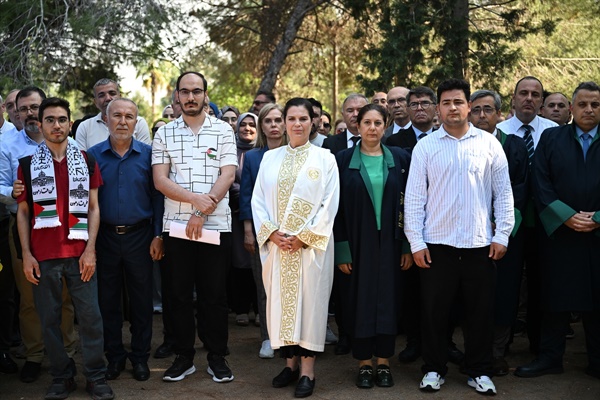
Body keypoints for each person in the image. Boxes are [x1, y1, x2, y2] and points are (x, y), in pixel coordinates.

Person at [404, 79, 514, 395]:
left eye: (459, 102)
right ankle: (434, 369)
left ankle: (479, 370)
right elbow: (414, 198)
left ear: (468, 106)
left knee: (480, 313)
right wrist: (417, 242)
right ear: (439, 108)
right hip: (436, 245)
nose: (453, 107)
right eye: (447, 102)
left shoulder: (490, 144)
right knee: (434, 313)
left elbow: (503, 194)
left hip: (481, 244)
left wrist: (502, 234)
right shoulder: (426, 146)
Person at [16, 97, 114, 400]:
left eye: (61, 119)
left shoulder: (86, 161)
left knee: (90, 318)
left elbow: (95, 207)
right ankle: (62, 375)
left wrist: (90, 250)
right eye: (49, 120)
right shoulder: (28, 165)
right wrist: (27, 255)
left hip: (79, 254)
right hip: (43, 256)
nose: (56, 125)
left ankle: (96, 376)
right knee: (49, 320)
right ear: (40, 124)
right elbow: (23, 213)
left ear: (70, 124)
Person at [251, 97, 339, 398]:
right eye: (292, 119)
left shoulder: (325, 159)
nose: (297, 124)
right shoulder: (269, 159)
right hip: (278, 247)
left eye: (303, 119)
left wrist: (305, 236)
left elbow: (330, 204)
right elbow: (258, 201)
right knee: (280, 306)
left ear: (312, 122)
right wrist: (272, 233)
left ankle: (307, 371)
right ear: (284, 122)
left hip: (310, 249)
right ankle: (289, 365)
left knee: (310, 307)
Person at [152, 71, 237, 383]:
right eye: (185, 92)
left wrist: (204, 210)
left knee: (215, 296)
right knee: (177, 295)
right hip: (176, 227)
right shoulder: (164, 134)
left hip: (217, 225)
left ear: (205, 94)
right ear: (176, 95)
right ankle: (183, 356)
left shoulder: (224, 131)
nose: (190, 97)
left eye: (196, 91)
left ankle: (217, 357)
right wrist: (195, 202)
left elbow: (228, 174)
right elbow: (160, 180)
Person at [515, 81, 600, 380]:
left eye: (595, 104)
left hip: (598, 233)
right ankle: (550, 358)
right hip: (560, 232)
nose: (589, 109)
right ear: (572, 109)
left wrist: (598, 217)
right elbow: (540, 181)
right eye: (583, 104)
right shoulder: (551, 138)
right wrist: (564, 216)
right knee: (555, 297)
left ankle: (597, 361)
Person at [0, 87, 78, 384]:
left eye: (35, 107)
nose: (30, 113)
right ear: (15, 112)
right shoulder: (6, 144)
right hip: (23, 226)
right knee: (30, 296)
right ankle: (34, 354)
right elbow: (0, 183)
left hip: (66, 228)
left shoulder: (68, 144)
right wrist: (13, 192)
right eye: (24, 108)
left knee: (65, 294)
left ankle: (68, 350)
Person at [334, 103, 412, 389]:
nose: (372, 128)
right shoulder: (342, 160)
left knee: (388, 300)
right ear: (357, 125)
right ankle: (364, 363)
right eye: (366, 122)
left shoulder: (401, 158)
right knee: (359, 299)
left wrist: (406, 245)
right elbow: (335, 208)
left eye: (378, 123)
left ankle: (383, 362)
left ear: (385, 125)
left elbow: (411, 204)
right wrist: (341, 248)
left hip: (391, 242)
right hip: (356, 242)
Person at [87, 98, 165, 382]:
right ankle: (115, 357)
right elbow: (85, 202)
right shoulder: (91, 156)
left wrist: (158, 234)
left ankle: (140, 357)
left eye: (129, 116)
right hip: (104, 237)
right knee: (107, 302)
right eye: (116, 116)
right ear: (105, 119)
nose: (122, 121)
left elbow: (158, 198)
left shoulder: (149, 155)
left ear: (136, 122)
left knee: (141, 302)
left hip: (141, 237)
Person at [496, 76, 558, 355]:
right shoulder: (498, 132)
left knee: (541, 281)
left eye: (535, 94)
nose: (529, 98)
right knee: (507, 283)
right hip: (511, 221)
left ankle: (539, 344)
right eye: (524, 93)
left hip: (546, 220)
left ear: (542, 101)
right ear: (513, 97)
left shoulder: (553, 131)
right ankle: (502, 342)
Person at [470, 89, 529, 376]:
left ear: (499, 115)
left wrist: (501, 227)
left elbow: (519, 190)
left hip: (506, 233)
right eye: (477, 109)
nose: (482, 115)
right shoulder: (460, 144)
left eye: (488, 110)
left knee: (504, 292)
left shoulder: (514, 146)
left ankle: (497, 352)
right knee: (473, 294)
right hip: (469, 234)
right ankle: (474, 351)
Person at [240, 103, 287, 359]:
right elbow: (246, 193)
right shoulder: (253, 157)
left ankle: (290, 336)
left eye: (278, 120)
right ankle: (268, 337)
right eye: (268, 121)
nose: (273, 125)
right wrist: (249, 229)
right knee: (265, 285)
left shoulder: (296, 153)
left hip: (292, 232)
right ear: (261, 126)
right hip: (262, 231)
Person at [322, 93, 368, 356]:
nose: (354, 114)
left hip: (369, 224)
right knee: (343, 286)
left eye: (359, 109)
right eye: (349, 110)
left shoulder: (379, 142)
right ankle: (345, 334)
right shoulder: (332, 143)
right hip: (341, 222)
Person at [229, 112, 258, 327]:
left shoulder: (264, 153)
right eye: (243, 124)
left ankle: (258, 309)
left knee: (259, 261)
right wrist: (242, 194)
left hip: (262, 214)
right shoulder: (230, 151)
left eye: (252, 125)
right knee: (240, 260)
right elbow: (228, 179)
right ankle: (241, 307)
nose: (247, 128)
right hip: (236, 214)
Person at [75, 78, 151, 150]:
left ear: (120, 96)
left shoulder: (139, 123)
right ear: (95, 102)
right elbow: (82, 160)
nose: (108, 98)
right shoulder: (85, 127)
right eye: (101, 95)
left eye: (112, 93)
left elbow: (144, 156)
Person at [387, 86, 436, 152]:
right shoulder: (394, 141)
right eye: (414, 104)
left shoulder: (446, 137)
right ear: (407, 109)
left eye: (425, 103)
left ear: (436, 108)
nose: (419, 108)